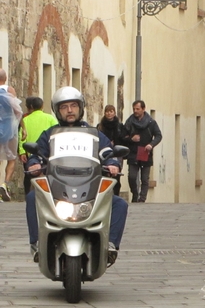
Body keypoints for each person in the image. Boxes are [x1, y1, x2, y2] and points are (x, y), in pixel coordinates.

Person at [25, 86, 128, 265]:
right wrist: (33, 163)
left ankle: (111, 244)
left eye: (73, 105)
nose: (70, 110)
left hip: (88, 184)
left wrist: (112, 164)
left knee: (119, 204)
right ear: (57, 111)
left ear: (81, 108)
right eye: (64, 107)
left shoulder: (94, 135)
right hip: (57, 185)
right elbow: (37, 153)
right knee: (33, 197)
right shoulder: (50, 134)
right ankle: (36, 243)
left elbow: (107, 153)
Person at [123, 100, 162, 203]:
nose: (135, 111)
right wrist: (131, 138)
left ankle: (142, 199)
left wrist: (151, 144)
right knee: (131, 177)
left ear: (143, 109)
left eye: (137, 109)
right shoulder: (129, 121)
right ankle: (135, 194)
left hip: (145, 152)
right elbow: (122, 136)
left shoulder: (151, 122)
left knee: (145, 179)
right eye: (134, 109)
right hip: (133, 152)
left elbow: (158, 135)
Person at [18, 97, 55, 196]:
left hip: (30, 152)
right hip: (47, 153)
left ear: (30, 107)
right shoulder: (50, 118)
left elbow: (22, 136)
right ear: (42, 106)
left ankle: (28, 194)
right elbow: (58, 132)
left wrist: (22, 152)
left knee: (28, 175)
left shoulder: (25, 119)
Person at [0, 69, 21, 202]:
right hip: (9, 128)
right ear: (6, 78)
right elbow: (17, 110)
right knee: (11, 158)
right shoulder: (9, 90)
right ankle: (5, 184)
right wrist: (22, 127)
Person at [97, 104, 126, 196]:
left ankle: (116, 194)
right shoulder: (100, 126)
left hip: (117, 152)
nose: (109, 114)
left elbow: (124, 138)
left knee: (116, 175)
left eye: (111, 111)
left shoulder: (119, 125)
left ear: (114, 113)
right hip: (104, 152)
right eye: (107, 111)